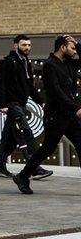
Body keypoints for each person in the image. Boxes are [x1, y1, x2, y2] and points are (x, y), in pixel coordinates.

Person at [13, 35, 81, 195]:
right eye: (72, 48)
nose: (74, 51)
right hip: (56, 116)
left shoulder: (70, 64)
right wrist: (76, 108)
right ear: (62, 48)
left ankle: (22, 176)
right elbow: (55, 92)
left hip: (69, 115)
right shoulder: (49, 66)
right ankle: (23, 176)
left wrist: (77, 43)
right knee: (48, 149)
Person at [0, 35, 52, 179]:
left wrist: (40, 101)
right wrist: (3, 104)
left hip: (20, 104)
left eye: (29, 45)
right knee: (25, 133)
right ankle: (34, 167)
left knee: (9, 138)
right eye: (24, 45)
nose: (27, 48)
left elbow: (29, 86)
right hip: (12, 104)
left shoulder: (25, 62)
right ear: (15, 46)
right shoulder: (9, 62)